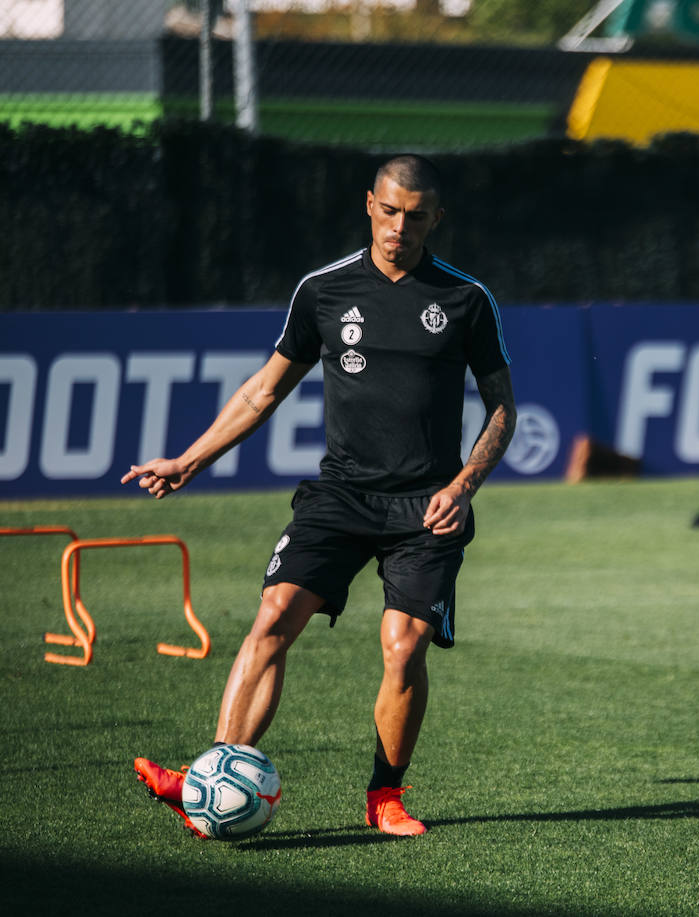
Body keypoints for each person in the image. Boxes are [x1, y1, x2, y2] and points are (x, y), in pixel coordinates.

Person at [123, 154, 515, 837]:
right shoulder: (324, 289)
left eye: (415, 216)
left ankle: (384, 795)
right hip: (341, 495)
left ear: (436, 219)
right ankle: (212, 775)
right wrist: (191, 458)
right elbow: (264, 388)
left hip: (427, 508)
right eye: (389, 211)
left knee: (404, 645)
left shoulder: (466, 299)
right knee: (274, 615)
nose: (399, 227)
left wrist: (462, 485)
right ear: (369, 204)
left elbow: (503, 408)